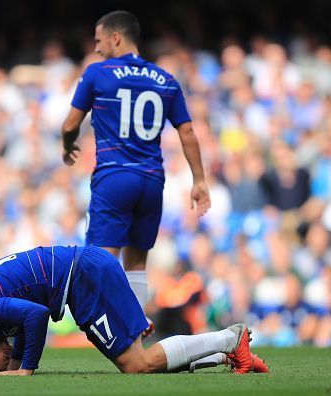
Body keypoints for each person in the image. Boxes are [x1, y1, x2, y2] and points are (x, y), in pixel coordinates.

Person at [60, 11, 211, 325]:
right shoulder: (166, 80)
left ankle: (111, 337)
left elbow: (70, 124)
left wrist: (67, 144)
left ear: (116, 37)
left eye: (99, 41)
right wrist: (199, 180)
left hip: (115, 176)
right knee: (137, 263)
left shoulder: (97, 73)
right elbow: (187, 132)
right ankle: (136, 327)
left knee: (100, 261)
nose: (98, 48)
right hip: (152, 181)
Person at [0, 245, 268, 375]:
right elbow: (24, 318)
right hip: (86, 269)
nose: (8, 352)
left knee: (137, 364)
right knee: (139, 358)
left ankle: (229, 339)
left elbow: (34, 316)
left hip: (82, 278)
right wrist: (14, 367)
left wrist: (24, 370)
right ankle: (222, 354)